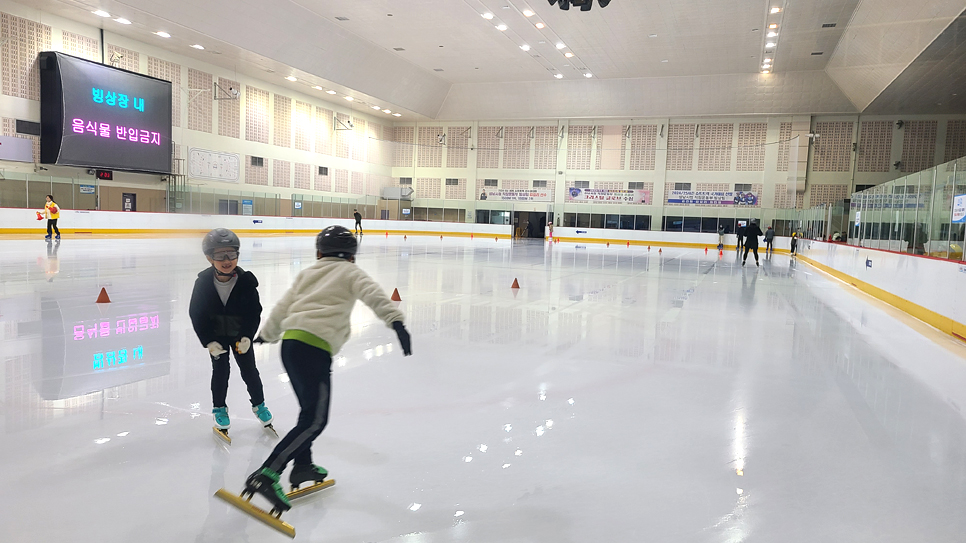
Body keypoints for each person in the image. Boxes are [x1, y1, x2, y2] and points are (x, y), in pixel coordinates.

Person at [244, 225, 413, 511]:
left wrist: (267, 334)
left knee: (307, 412)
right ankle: (268, 473)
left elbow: (284, 306)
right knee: (315, 420)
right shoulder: (351, 272)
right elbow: (374, 296)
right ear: (351, 256)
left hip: (291, 345)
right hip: (315, 349)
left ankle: (303, 466)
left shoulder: (308, 273)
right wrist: (396, 323)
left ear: (319, 252)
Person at [189, 229, 273, 438]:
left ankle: (259, 405)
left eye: (231, 254)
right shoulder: (202, 283)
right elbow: (196, 314)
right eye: (220, 256)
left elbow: (254, 313)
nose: (227, 260)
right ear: (209, 258)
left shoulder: (247, 282)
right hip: (217, 337)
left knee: (250, 371)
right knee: (220, 372)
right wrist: (208, 341)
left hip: (239, 337)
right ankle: (219, 409)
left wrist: (247, 336)